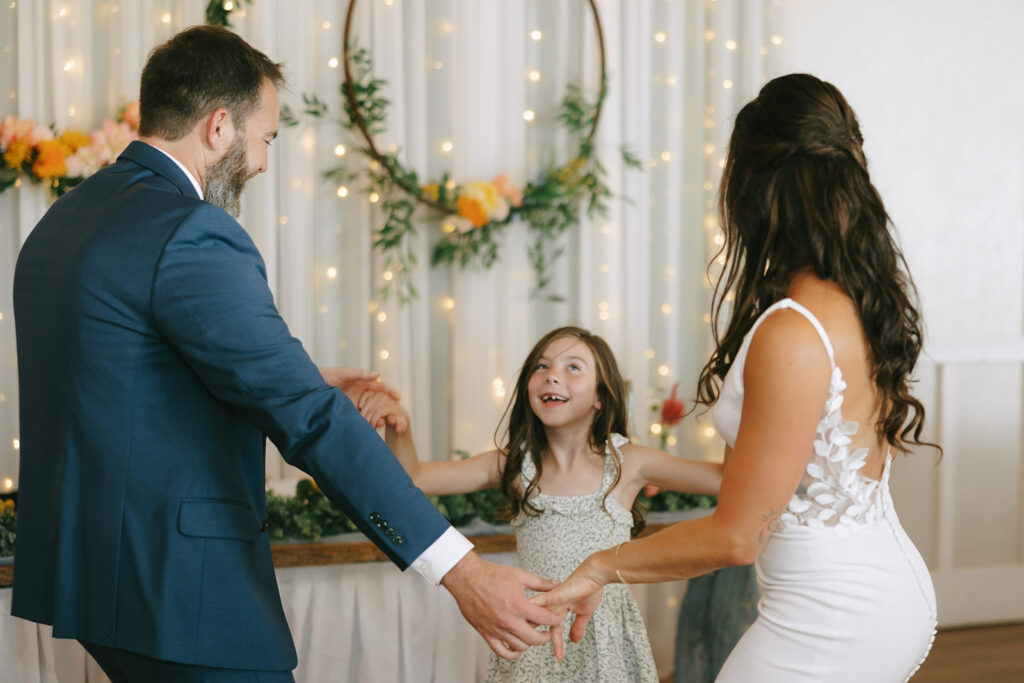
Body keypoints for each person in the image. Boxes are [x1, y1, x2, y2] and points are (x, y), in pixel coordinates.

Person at [11, 25, 560, 681]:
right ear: (219, 127)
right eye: (265, 137)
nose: (265, 162)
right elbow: (313, 420)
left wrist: (304, 374)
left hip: (94, 579)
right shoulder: (192, 231)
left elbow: (117, 372)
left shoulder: (66, 219)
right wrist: (462, 570)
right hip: (182, 592)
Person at [532, 74, 939, 682]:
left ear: (753, 186)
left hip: (829, 620)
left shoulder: (792, 329)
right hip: (885, 597)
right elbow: (777, 475)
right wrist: (646, 463)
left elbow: (737, 536)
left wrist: (599, 565)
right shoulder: (855, 298)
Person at [360, 326, 723, 682]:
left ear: (600, 395)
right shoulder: (514, 464)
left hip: (606, 639)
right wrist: (399, 429)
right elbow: (415, 478)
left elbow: (727, 480)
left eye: (573, 367)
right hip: (533, 634)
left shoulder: (630, 463)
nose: (552, 376)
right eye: (541, 366)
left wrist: (743, 406)